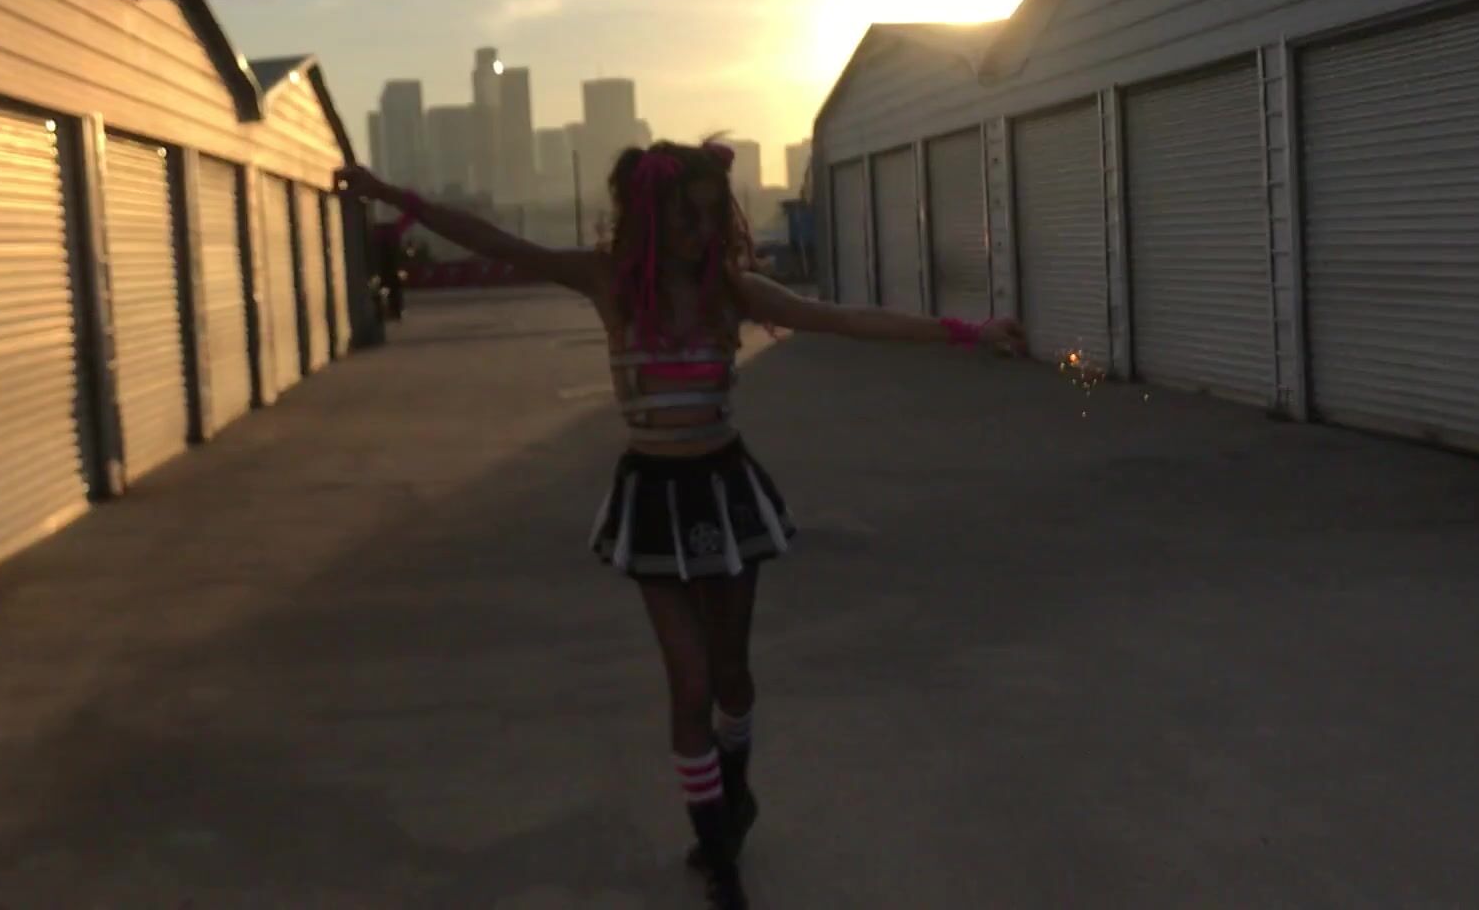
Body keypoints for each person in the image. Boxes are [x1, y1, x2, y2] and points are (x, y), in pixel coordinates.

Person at [335, 141, 1024, 910]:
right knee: (689, 683)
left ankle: (736, 792)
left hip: (723, 490)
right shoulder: (608, 282)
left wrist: (967, 331)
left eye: (711, 216)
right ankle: (718, 851)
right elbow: (496, 240)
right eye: (684, 217)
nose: (701, 233)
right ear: (649, 216)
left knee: (731, 676)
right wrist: (389, 193)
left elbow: (843, 318)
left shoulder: (732, 292)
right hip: (653, 498)